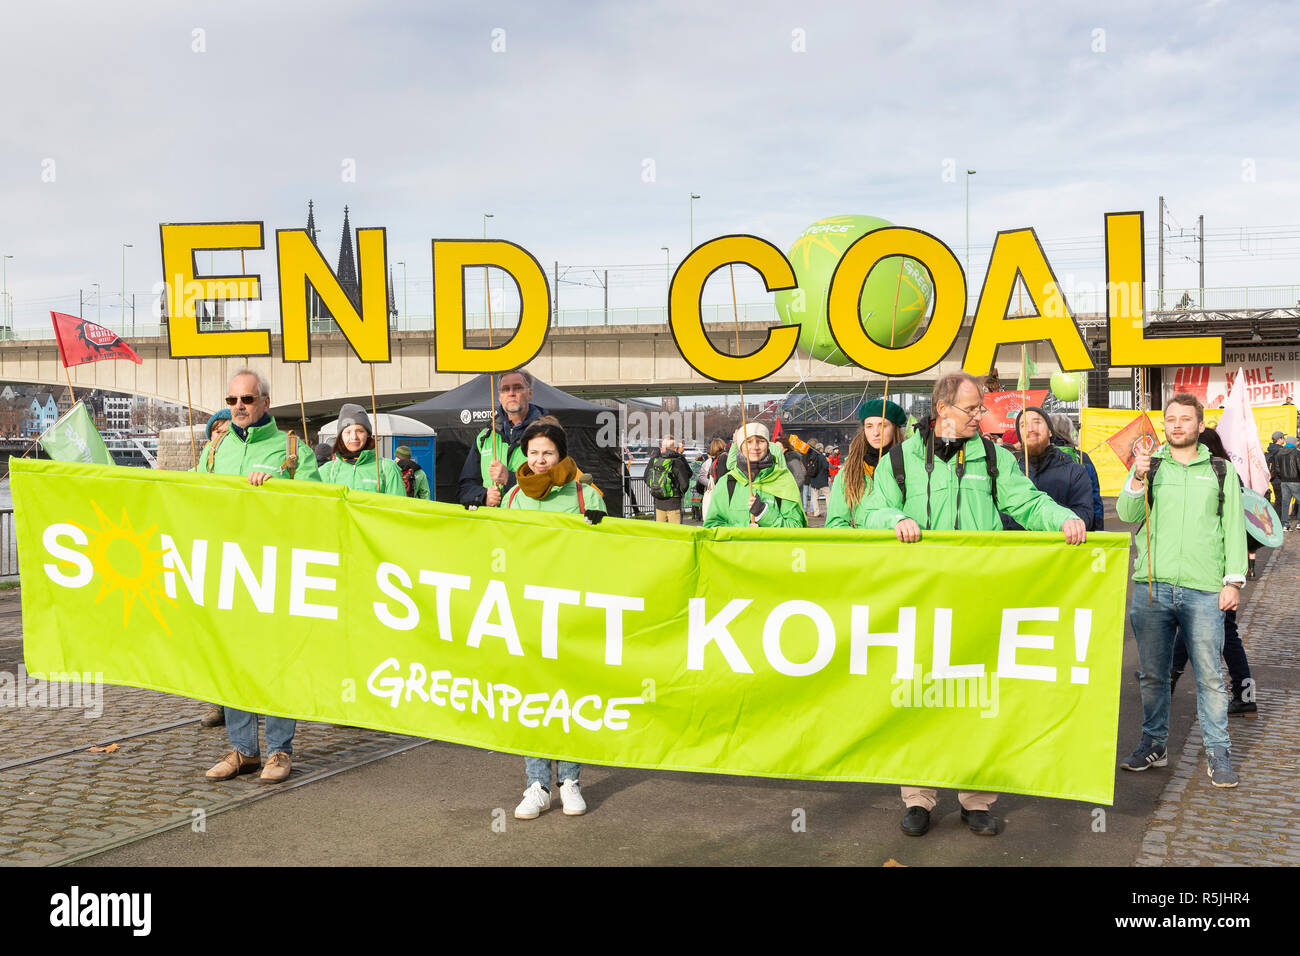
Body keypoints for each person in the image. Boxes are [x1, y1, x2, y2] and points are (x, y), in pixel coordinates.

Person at [861, 372, 1087, 836]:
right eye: (972, 409)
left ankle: (977, 800)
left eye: (979, 408)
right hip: (920, 599)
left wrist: (1064, 519)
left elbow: (1027, 504)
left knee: (979, 697)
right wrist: (895, 517)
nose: (980, 415)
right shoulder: (900, 458)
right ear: (942, 409)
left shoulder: (993, 457)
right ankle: (919, 798)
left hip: (980, 596)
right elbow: (868, 511)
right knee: (919, 698)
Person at [199, 368, 322, 785]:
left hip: (276, 570)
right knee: (234, 660)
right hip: (228, 567)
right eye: (232, 400)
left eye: (247, 400)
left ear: (265, 403)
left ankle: (278, 751)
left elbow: (315, 505)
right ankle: (244, 751)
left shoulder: (292, 448)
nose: (238, 407)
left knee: (276, 659)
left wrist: (278, 488)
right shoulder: (214, 449)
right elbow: (193, 502)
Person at [1117, 393, 1245, 788]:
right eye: (1170, 419)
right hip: (1152, 587)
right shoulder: (1150, 468)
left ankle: (1218, 751)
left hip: (1205, 590)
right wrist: (1137, 479)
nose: (1176, 425)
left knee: (1209, 676)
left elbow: (1233, 528)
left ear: (1199, 426)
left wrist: (1234, 580)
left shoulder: (1221, 471)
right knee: (1153, 675)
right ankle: (1154, 744)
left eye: (1185, 419)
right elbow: (1127, 515)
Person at [505, 418, 605, 819]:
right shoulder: (513, 497)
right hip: (528, 610)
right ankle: (537, 784)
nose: (541, 460)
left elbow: (609, 555)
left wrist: (602, 529)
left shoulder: (585, 494)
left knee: (568, 696)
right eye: (533, 453)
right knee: (533, 698)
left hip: (571, 610)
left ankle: (570, 781)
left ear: (561, 455)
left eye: (548, 452)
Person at [458, 369, 547, 507]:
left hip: (529, 524)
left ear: (530, 394)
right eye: (505, 389)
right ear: (499, 396)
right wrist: (483, 496)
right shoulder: (485, 437)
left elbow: (555, 484)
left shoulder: (548, 433)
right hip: (494, 525)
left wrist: (510, 479)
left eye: (517, 387)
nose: (511, 393)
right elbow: (465, 487)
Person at [197, 407, 233, 730]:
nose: (221, 433)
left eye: (226, 427)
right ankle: (218, 700)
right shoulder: (206, 460)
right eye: (216, 429)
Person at [1001, 407, 1094, 530]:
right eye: (1023, 425)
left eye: (1037, 422)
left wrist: (1047, 511)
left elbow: (1085, 518)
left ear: (1050, 431)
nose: (1031, 429)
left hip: (1060, 548)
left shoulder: (1075, 472)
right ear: (1020, 437)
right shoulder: (1011, 473)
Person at [703, 422, 807, 528]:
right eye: (748, 442)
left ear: (768, 445)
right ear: (740, 446)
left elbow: (796, 528)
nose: (755, 447)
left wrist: (764, 513)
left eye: (761, 441)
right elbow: (712, 527)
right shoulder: (726, 482)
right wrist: (744, 529)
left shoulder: (784, 480)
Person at [825, 397, 906, 528]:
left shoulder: (909, 467)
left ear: (895, 429)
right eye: (869, 426)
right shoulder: (849, 473)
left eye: (883, 425)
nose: (876, 433)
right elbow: (835, 523)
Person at [318, 404, 405, 495]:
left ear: (368, 434)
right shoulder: (327, 471)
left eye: (360, 431)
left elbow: (399, 506)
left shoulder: (387, 468)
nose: (354, 437)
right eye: (348, 432)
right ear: (341, 436)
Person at [1049, 413, 1105, 531]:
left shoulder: (1037, 458)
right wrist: (1099, 529)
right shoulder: (1082, 458)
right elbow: (1095, 499)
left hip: (1047, 529)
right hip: (1081, 528)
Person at [646, 435, 692, 523]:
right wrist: (678, 493)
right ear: (674, 448)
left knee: (660, 532)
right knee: (675, 532)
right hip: (674, 502)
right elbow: (685, 483)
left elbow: (647, 478)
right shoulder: (678, 461)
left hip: (658, 501)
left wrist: (657, 488)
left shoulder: (655, 460)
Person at [695, 438, 728, 520]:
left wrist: (709, 484)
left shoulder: (710, 462)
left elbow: (701, 477)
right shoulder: (724, 458)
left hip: (711, 492)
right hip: (720, 493)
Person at [1273, 436, 1300, 530]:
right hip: (1296, 481)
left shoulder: (1279, 452)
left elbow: (1277, 469)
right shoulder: (1296, 452)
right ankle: (1299, 523)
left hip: (1284, 481)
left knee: (1285, 503)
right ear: (1293, 442)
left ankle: (1285, 524)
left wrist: (1283, 477)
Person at [806, 441, 830, 517]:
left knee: (814, 497)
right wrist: (827, 461)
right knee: (828, 495)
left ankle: (816, 512)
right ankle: (829, 511)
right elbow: (826, 467)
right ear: (821, 449)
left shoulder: (812, 457)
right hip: (822, 480)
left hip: (814, 480)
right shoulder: (822, 457)